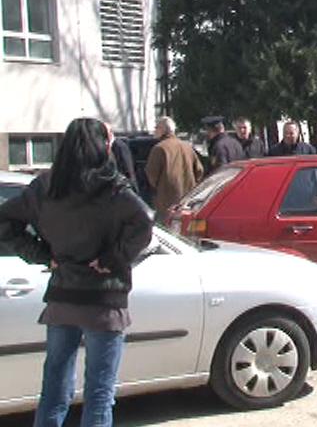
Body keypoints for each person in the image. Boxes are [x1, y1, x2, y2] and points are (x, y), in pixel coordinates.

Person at [0, 117, 153, 427]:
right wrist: (112, 258)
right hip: (104, 301)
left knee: (55, 387)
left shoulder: (46, 186)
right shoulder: (112, 187)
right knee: (99, 392)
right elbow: (144, 224)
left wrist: (42, 254)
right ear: (104, 145)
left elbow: (5, 222)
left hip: (63, 299)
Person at [145, 116, 204, 224]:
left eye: (156, 127)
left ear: (163, 129)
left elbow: (151, 175)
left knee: (167, 234)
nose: (155, 130)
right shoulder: (187, 147)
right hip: (187, 200)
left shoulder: (159, 148)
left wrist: (161, 189)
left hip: (166, 202)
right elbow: (199, 171)